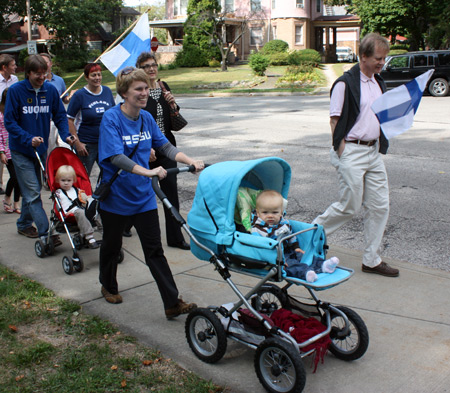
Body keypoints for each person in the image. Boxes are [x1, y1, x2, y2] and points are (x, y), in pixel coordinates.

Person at [98, 66, 204, 319]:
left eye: (146, 88)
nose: (144, 93)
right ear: (124, 92)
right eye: (138, 89)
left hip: (143, 197)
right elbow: (115, 157)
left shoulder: (145, 118)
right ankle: (108, 285)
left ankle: (171, 303)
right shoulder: (111, 118)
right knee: (112, 246)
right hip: (116, 197)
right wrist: (149, 172)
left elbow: (164, 146)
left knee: (154, 250)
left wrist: (190, 161)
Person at [312, 33, 399, 278]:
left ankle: (371, 260)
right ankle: (307, 237)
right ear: (363, 57)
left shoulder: (378, 82)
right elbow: (334, 120)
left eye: (384, 58)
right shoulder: (345, 83)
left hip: (373, 152)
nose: (382, 63)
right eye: (378, 59)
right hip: (351, 150)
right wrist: (342, 151)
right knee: (349, 206)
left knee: (380, 206)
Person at [4, 55, 77, 243]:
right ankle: (47, 233)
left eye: (44, 73)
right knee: (33, 191)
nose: (42, 77)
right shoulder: (15, 91)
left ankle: (23, 223)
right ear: (28, 73)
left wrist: (65, 134)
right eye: (37, 74)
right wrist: (28, 138)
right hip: (21, 149)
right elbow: (10, 122)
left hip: (42, 149)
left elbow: (60, 115)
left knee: (33, 188)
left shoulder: (50, 91)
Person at [124, 51, 188, 249]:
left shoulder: (162, 87)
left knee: (171, 193)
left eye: (153, 65)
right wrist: (146, 146)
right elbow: (136, 122)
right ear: (139, 71)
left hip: (166, 144)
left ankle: (175, 238)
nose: (151, 69)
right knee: (139, 191)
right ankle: (126, 224)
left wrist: (172, 102)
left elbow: (172, 117)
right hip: (145, 148)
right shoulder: (140, 93)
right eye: (146, 66)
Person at [251, 190, 339, 282]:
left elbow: (291, 236)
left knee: (305, 257)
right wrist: (274, 259)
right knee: (292, 266)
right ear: (258, 213)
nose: (270, 216)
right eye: (265, 212)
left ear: (281, 212)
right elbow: (260, 249)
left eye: (274, 212)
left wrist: (296, 247)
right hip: (275, 257)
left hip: (289, 250)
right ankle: (306, 273)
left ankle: (324, 265)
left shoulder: (283, 223)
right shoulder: (257, 230)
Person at [67, 63, 115, 176]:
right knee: (83, 176)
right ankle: (84, 194)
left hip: (105, 142)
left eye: (99, 74)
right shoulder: (79, 95)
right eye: (93, 75)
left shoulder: (107, 91)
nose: (97, 78)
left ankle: (102, 194)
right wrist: (77, 143)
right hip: (86, 145)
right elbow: (69, 120)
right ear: (86, 77)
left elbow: (113, 115)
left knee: (110, 176)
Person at [54, 165, 99, 249]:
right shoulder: (58, 192)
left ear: (73, 180)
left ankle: (89, 230)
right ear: (58, 180)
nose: (66, 183)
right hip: (68, 214)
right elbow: (56, 205)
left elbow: (85, 198)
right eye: (63, 180)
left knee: (95, 206)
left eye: (69, 180)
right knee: (80, 212)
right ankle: (89, 236)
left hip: (80, 211)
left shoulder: (77, 190)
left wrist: (89, 199)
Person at [0, 88, 21, 213]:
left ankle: (16, 201)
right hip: (7, 149)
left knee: (19, 176)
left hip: (19, 147)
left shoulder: (18, 110)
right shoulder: (1, 113)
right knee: (14, 176)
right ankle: (7, 197)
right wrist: (1, 152)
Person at [0, 54, 18, 195]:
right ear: (4, 67)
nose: (15, 67)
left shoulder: (15, 80)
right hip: (1, 117)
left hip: (12, 118)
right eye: (12, 65)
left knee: (15, 170)